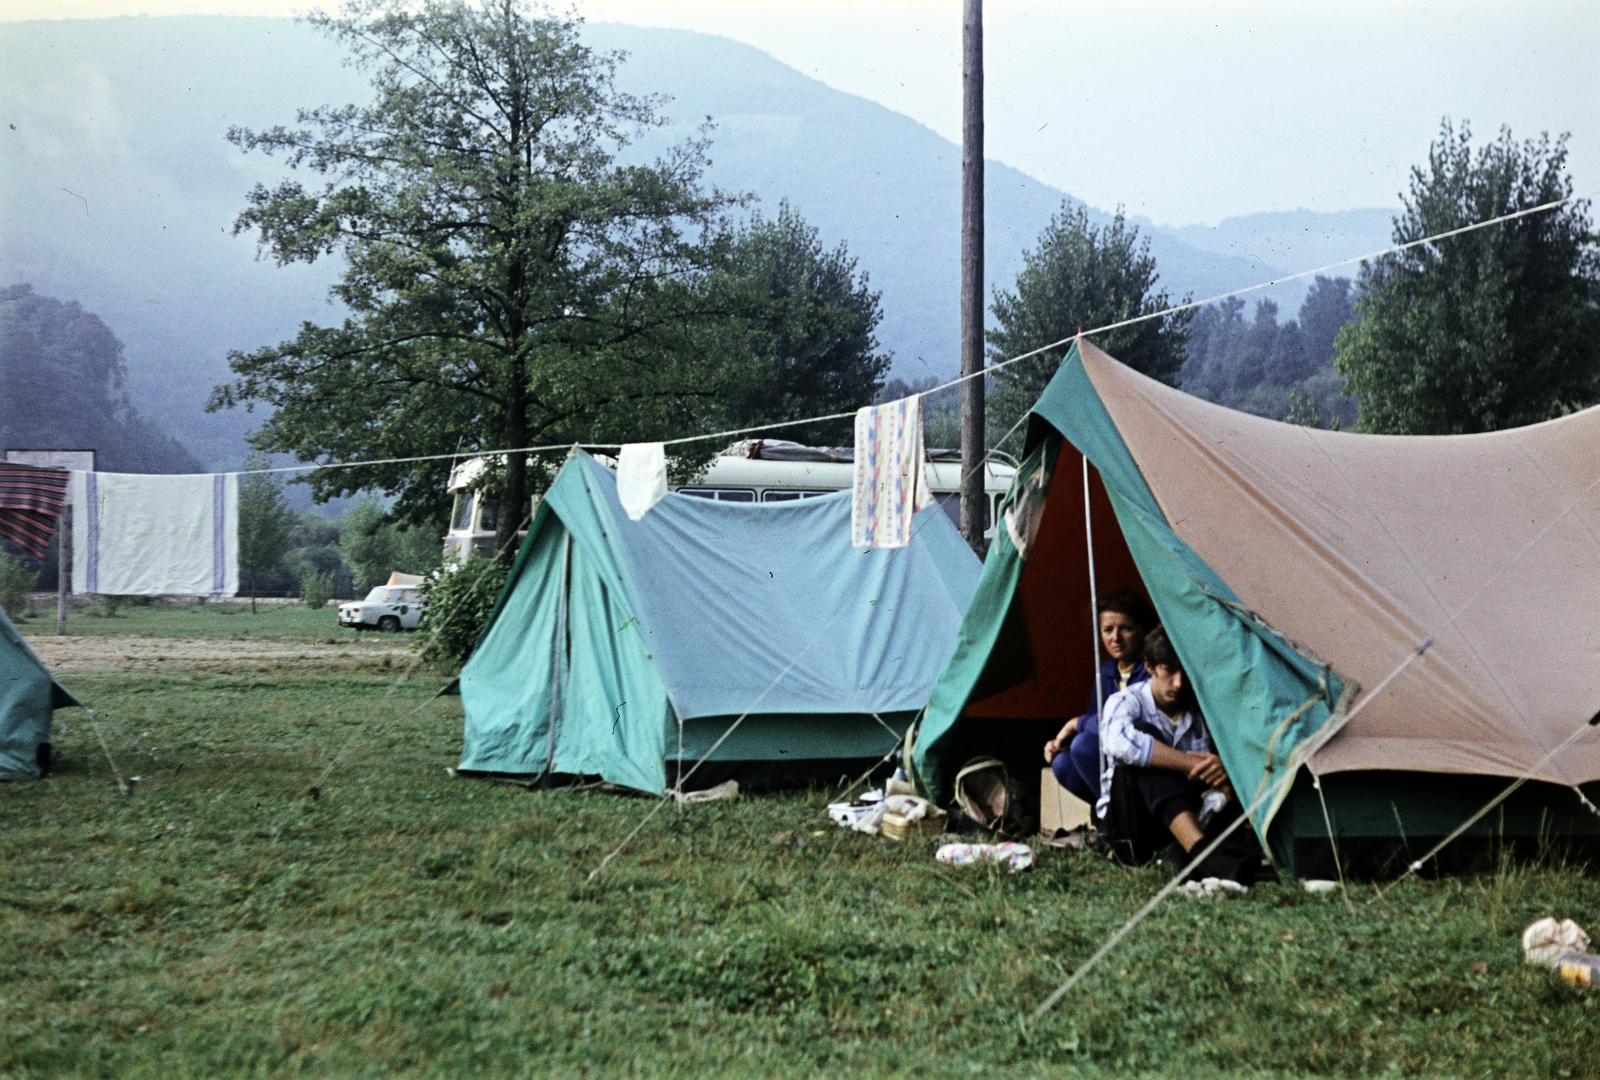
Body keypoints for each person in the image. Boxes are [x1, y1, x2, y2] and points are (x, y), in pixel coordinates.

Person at [1095, 625, 1240, 868]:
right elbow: (1120, 744)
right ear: (1149, 666)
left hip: (1184, 823)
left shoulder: (1202, 709)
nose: (1179, 683)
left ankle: (1184, 854)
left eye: (1185, 672)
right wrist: (1193, 763)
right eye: (1169, 671)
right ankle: (1203, 855)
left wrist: (1225, 770)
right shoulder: (1125, 702)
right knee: (1143, 741)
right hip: (1128, 828)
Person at [1043, 590, 1155, 809]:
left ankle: (1120, 819)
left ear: (1142, 629)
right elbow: (1096, 723)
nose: (1116, 638)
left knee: (1083, 746)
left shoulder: (1152, 668)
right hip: (1114, 756)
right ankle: (1117, 815)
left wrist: (1076, 723)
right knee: (1063, 763)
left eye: (1126, 628)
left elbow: (1131, 725)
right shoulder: (1106, 671)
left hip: (1143, 753)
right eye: (1108, 630)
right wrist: (1060, 744)